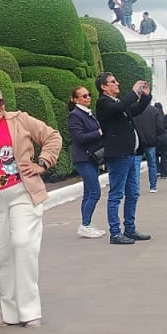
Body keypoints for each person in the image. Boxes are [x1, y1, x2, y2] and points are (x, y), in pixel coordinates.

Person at [0, 81, 61, 326]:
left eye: (0, 101)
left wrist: (42, 163)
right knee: (0, 254)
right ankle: (8, 310)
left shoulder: (18, 120)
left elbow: (52, 136)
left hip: (22, 192)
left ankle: (30, 310)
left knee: (23, 244)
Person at [95, 71, 152, 244]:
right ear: (104, 87)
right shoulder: (103, 103)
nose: (117, 83)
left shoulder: (117, 103)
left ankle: (130, 228)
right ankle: (115, 232)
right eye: (113, 82)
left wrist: (144, 97)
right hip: (118, 155)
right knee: (116, 194)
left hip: (130, 154)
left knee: (133, 193)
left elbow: (134, 110)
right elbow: (119, 109)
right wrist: (133, 92)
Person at [67, 86, 105, 238]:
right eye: (83, 96)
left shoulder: (88, 114)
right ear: (76, 99)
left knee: (88, 192)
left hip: (91, 157)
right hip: (83, 158)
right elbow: (79, 137)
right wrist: (98, 133)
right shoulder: (75, 115)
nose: (87, 97)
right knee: (95, 191)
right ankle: (85, 224)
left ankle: (86, 224)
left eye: (88, 95)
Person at [134, 89, 165, 192]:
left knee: (136, 165)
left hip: (137, 141)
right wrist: (155, 135)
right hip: (151, 140)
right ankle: (153, 186)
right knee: (152, 163)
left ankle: (136, 187)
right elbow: (160, 127)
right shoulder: (154, 110)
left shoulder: (133, 110)